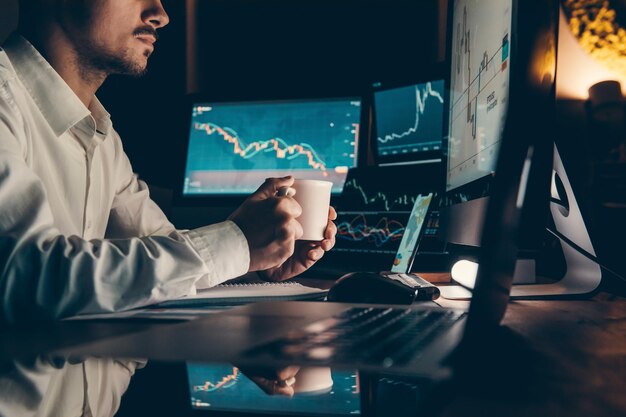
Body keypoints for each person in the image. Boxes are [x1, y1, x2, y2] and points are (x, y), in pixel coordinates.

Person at [0, 0, 337, 324]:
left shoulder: (102, 137)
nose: (160, 15)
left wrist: (254, 259)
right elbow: (28, 277)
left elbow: (160, 251)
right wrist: (237, 241)